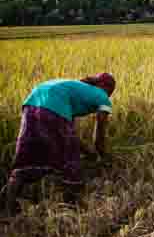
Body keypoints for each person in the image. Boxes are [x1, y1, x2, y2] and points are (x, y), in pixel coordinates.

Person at [4, 72, 116, 213]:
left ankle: (8, 209)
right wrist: (102, 155)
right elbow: (99, 133)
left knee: (25, 158)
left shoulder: (76, 89)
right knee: (70, 162)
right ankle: (72, 208)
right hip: (53, 107)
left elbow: (68, 134)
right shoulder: (103, 97)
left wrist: (88, 152)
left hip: (32, 102)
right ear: (108, 88)